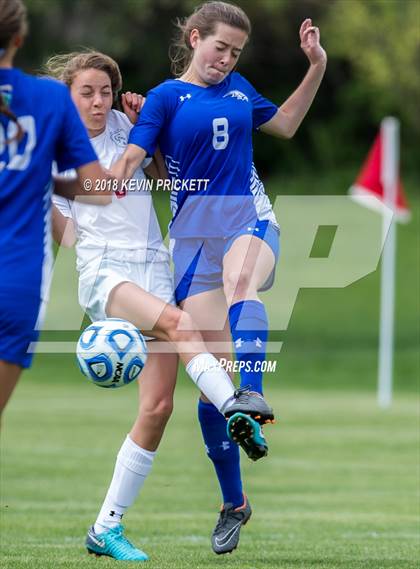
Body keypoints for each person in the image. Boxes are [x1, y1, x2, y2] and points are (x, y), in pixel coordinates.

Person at [112, 0, 327, 555]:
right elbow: (146, 159)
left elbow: (283, 123)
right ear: (194, 36)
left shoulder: (239, 90)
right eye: (219, 48)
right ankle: (235, 502)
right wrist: (116, 175)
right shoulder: (163, 97)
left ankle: (253, 393)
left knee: (241, 285)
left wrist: (316, 66)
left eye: (236, 52)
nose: (226, 60)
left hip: (247, 219)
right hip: (191, 243)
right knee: (212, 390)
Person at [48, 50, 273, 561]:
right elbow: (68, 239)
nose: (99, 101)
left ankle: (106, 527)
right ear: (69, 95)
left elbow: (166, 177)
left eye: (106, 91)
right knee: (179, 323)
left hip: (154, 265)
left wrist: (149, 121)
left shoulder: (132, 126)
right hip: (106, 272)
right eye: (87, 92)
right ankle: (235, 404)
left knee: (158, 408)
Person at [0, 0, 113, 419]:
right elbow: (97, 189)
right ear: (18, 38)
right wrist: (42, 182)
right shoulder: (49, 97)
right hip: (16, 282)